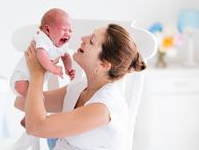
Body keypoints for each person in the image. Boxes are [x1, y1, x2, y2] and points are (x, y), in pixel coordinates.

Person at [15, 24, 146, 150]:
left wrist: (37, 74)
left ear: (104, 65)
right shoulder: (80, 88)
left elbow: (36, 127)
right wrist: (43, 66)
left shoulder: (103, 108)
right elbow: (20, 102)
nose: (83, 39)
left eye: (92, 41)